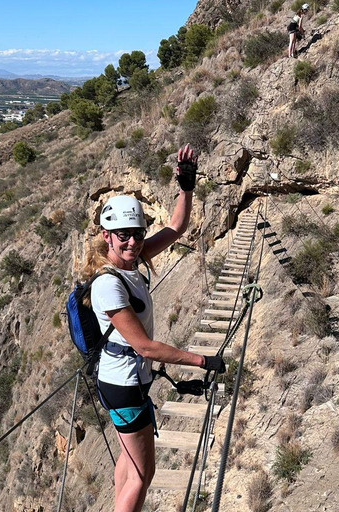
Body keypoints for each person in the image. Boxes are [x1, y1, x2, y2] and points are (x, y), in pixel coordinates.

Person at [83, 144, 226, 512]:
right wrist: (201, 361)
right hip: (124, 387)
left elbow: (177, 226)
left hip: (123, 384)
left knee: (128, 464)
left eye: (138, 233)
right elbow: (144, 347)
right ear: (106, 235)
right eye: (123, 234)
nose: (132, 241)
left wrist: (186, 185)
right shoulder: (108, 284)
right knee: (142, 476)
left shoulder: (135, 258)